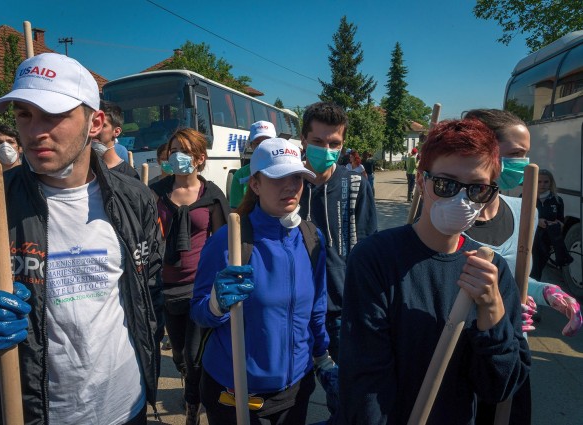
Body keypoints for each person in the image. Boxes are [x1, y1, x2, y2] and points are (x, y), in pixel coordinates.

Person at [0, 52, 162, 424]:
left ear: (94, 123)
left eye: (53, 115)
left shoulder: (135, 198)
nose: (34, 131)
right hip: (32, 413)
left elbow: (149, 294)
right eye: (24, 115)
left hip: (126, 408)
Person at [339, 119, 531, 424]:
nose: (461, 200)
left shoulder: (491, 270)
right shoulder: (375, 259)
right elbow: (365, 383)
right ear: (420, 181)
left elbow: (500, 388)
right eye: (446, 184)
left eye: (477, 189)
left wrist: (493, 313)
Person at [191, 137, 331, 425]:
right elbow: (199, 311)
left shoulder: (311, 238)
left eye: (297, 177)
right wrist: (216, 305)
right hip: (236, 394)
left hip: (296, 390)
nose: (291, 186)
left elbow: (317, 307)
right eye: (279, 178)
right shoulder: (228, 241)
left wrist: (323, 359)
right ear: (255, 184)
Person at [462, 108, 581, 424]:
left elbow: (520, 280)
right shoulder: (450, 216)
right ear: (483, 150)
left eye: (527, 154)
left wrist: (553, 295)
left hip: (512, 353)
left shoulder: (524, 211)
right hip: (460, 357)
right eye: (515, 154)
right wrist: (503, 307)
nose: (524, 164)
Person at [149, 127, 229, 425]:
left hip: (199, 287)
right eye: (173, 151)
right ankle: (191, 387)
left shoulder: (211, 195)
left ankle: (193, 406)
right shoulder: (156, 192)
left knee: (195, 356)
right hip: (166, 287)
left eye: (183, 151)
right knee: (180, 355)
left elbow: (222, 241)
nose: (176, 156)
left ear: (199, 158)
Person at [298, 102, 377, 367]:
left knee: (344, 392)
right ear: (303, 140)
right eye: (318, 141)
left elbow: (368, 245)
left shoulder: (355, 184)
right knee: (296, 391)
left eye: (335, 143)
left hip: (342, 308)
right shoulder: (288, 184)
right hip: (295, 307)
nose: (327, 150)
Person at [531, 169, 574, 279]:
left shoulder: (557, 200)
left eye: (546, 182)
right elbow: (520, 217)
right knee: (532, 270)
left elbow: (561, 221)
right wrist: (537, 220)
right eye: (539, 181)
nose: (542, 185)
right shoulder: (526, 197)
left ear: (551, 183)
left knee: (538, 269)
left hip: (546, 241)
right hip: (530, 241)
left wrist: (557, 224)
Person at [229, 120, 277, 209]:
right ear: (251, 146)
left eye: (267, 141)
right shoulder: (240, 175)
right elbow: (235, 211)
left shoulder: (287, 172)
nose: (263, 146)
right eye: (258, 143)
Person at [94, 100, 139, 179]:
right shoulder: (79, 171)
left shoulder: (129, 175)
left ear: (116, 131)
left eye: (102, 125)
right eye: (91, 124)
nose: (94, 129)